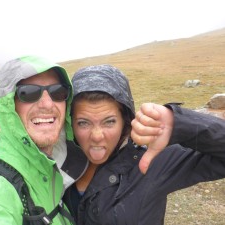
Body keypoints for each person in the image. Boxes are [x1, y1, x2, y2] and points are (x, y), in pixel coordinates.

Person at [63, 64, 225, 225]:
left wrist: (179, 122)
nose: (97, 136)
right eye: (83, 123)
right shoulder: (58, 161)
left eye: (109, 122)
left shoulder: (151, 160)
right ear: (71, 123)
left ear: (125, 121)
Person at [0, 55, 88, 225]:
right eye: (28, 93)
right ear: (8, 105)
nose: (48, 104)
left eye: (58, 92)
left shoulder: (54, 162)